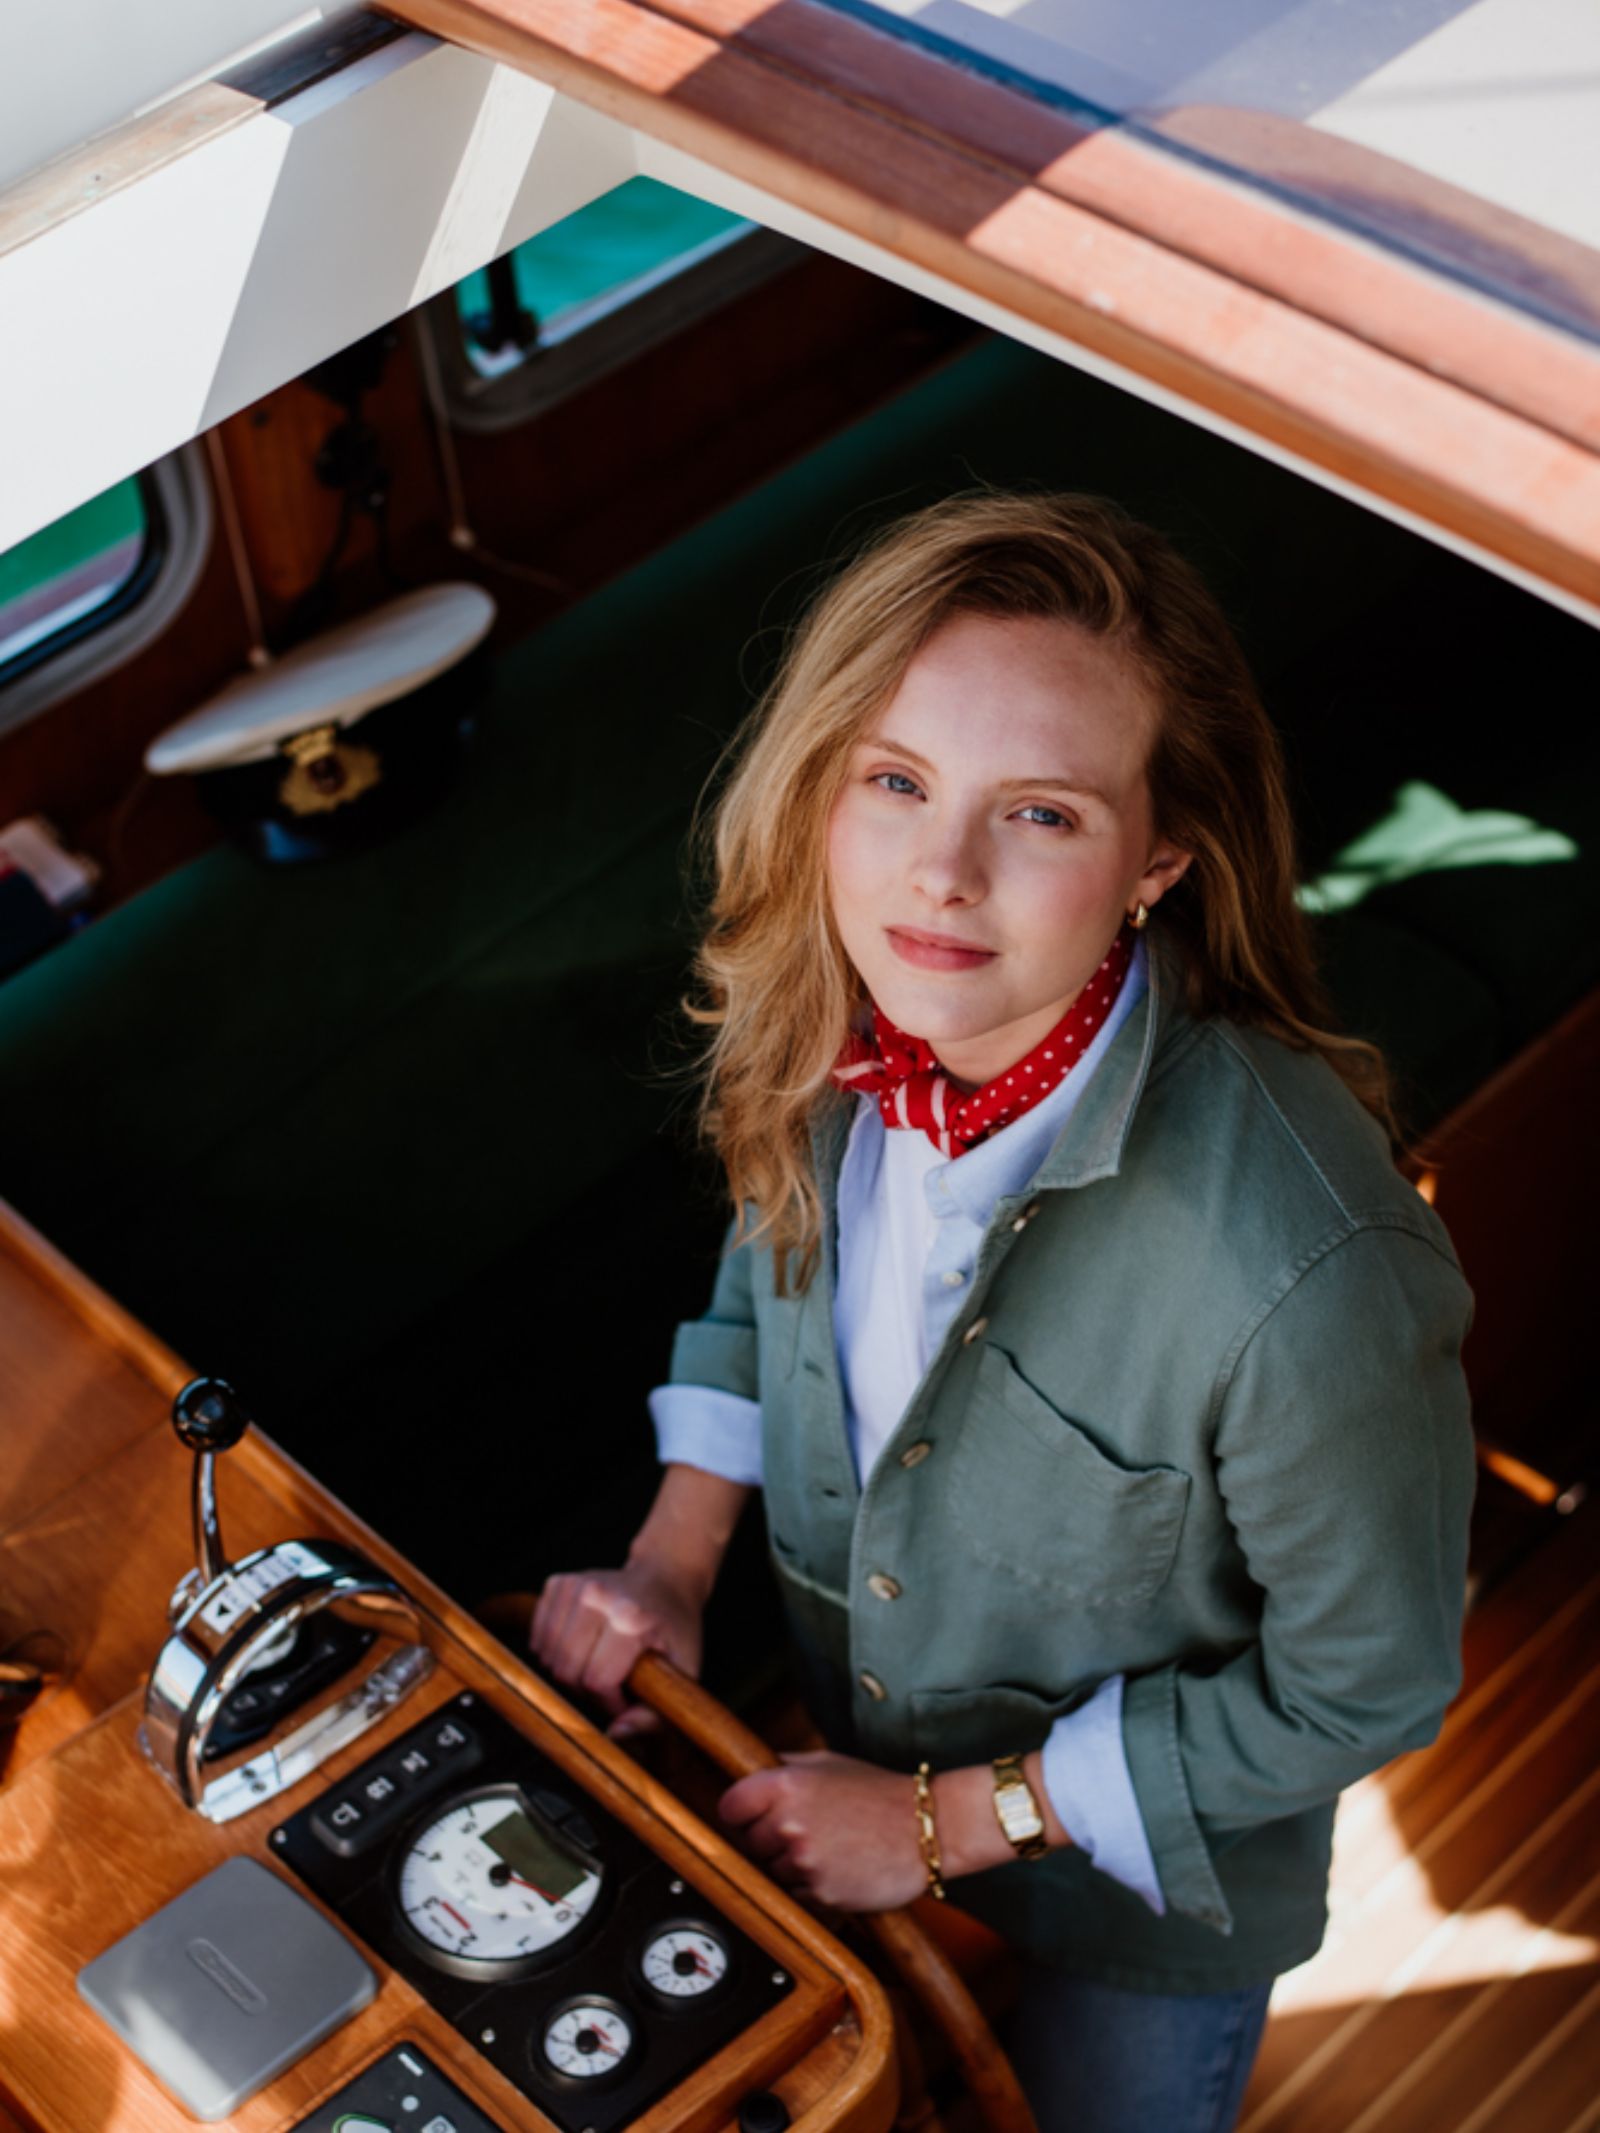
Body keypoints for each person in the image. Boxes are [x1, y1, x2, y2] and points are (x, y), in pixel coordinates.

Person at [530, 491, 1474, 2132]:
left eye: (1037, 814)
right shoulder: (847, 1015)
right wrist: (674, 1561)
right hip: (847, 1756)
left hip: (1147, 1908)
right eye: (894, 782)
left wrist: (940, 1823)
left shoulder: (1309, 1277)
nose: (939, 875)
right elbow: (775, 1266)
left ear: (1157, 863)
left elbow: (1365, 1689)